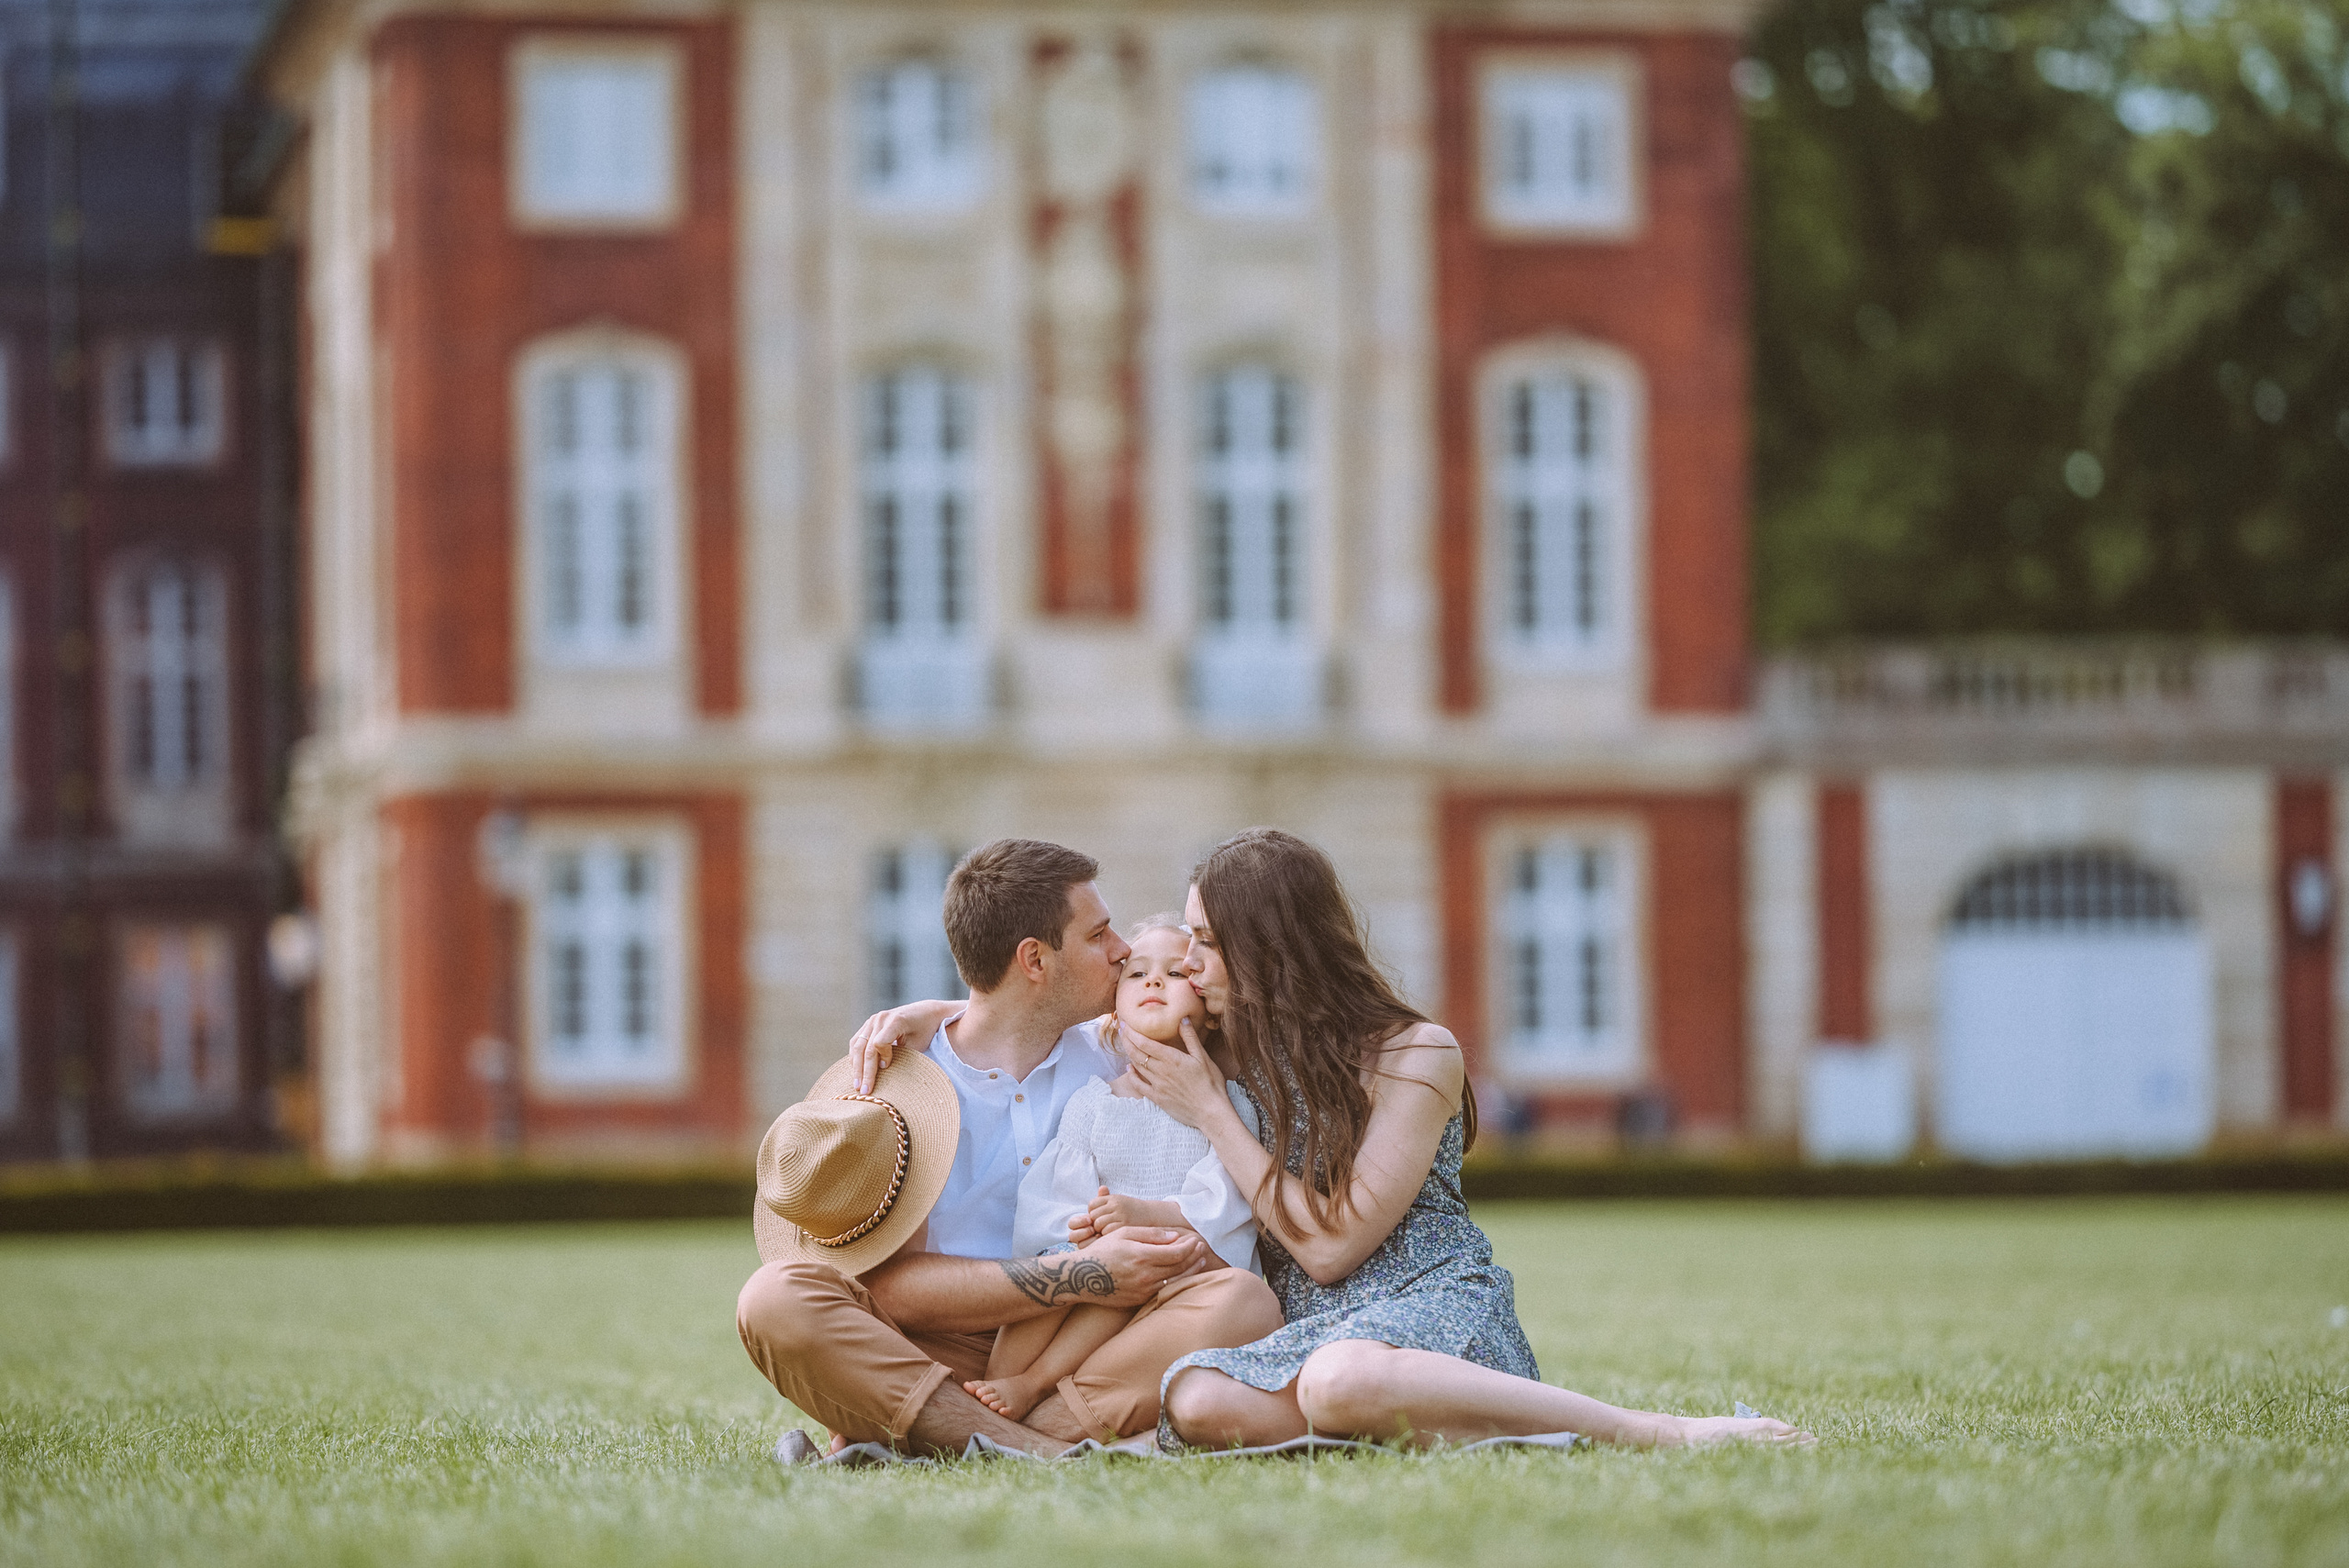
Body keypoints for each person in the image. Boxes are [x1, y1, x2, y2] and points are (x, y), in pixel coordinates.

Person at [1116, 828, 1816, 1452]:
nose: (1188, 962)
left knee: (1338, 1379)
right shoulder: (1227, 1052)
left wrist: (1210, 1110)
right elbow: (1100, 1019)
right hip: (1311, 1331)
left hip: (1434, 1307)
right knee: (1197, 1398)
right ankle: (1423, 1423)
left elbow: (1331, 1249)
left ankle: (1652, 1429)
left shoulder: (1416, 1054)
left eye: (1207, 941)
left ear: (1271, 946)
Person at [735, 839, 1281, 1461]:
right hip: (932, 1347)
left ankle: (917, 1434)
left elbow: (1241, 1033)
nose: (1122, 951)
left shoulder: (1121, 1050)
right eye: (1098, 934)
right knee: (773, 1300)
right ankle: (1044, 1450)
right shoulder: (903, 1090)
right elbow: (887, 1288)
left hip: (1089, 1345)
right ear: (1034, 960)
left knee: (1244, 1303)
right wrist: (1087, 1274)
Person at [967, 916, 1263, 1422]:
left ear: (1211, 1013)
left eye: (1175, 974)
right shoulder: (1093, 1103)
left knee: (1137, 1263)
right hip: (1096, 1268)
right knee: (1060, 1267)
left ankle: (1034, 1386)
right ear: (1114, 1006)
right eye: (1137, 974)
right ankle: (998, 1387)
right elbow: (1052, 1205)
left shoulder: (1230, 1106)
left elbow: (1226, 1211)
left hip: (1181, 1275)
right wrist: (1085, 1228)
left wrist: (1141, 1217)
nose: (1154, 982)